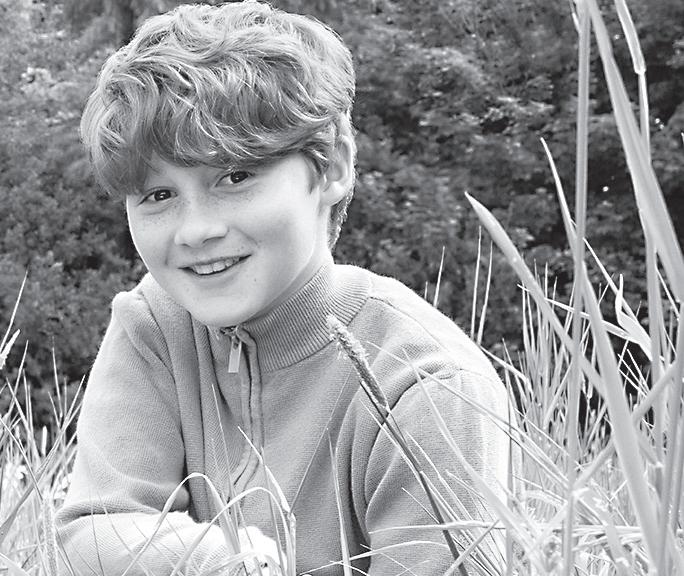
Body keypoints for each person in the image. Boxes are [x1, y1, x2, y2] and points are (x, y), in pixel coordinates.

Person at [56, 2, 512, 575]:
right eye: (158, 195)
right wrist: (230, 564)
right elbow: (92, 534)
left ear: (332, 168)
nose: (195, 231)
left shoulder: (427, 387)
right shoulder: (156, 324)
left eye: (235, 176)